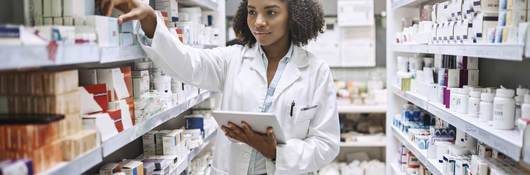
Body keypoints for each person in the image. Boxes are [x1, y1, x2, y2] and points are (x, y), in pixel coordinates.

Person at [100, 0, 339, 174]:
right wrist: (150, 20)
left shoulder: (316, 71)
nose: (259, 22)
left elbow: (326, 144)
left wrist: (276, 151)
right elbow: (187, 63)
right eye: (252, 12)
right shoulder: (232, 58)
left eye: (271, 12)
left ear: (293, 15)